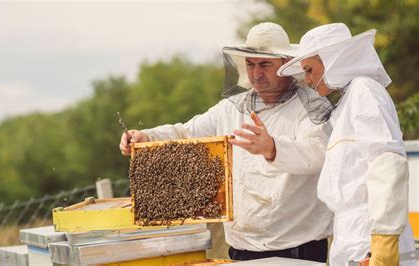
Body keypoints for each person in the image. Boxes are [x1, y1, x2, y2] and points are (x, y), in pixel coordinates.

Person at [119, 22, 333, 262]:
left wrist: (272, 147)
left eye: (264, 64)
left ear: (285, 64)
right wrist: (146, 137)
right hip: (241, 249)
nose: (256, 74)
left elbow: (318, 155)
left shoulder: (312, 106)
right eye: (250, 65)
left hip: (297, 250)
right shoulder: (231, 109)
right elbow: (187, 132)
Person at [278, 23, 416, 266]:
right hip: (349, 235)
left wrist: (383, 245)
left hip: (370, 234)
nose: (308, 80)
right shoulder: (346, 103)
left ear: (334, 60)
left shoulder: (365, 90)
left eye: (310, 70)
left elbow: (387, 162)